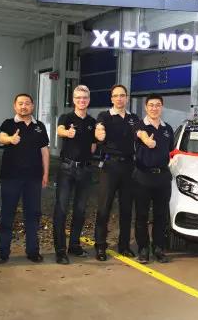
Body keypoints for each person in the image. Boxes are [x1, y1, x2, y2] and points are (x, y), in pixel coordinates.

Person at [0, 94, 49, 264]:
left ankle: (33, 251)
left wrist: (45, 173)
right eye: (20, 103)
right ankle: (3, 253)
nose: (23, 106)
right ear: (15, 106)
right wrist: (10, 139)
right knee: (7, 215)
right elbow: (1, 138)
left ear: (32, 106)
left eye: (27, 103)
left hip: (33, 178)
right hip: (10, 177)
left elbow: (44, 151)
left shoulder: (39, 126)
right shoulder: (8, 123)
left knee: (33, 215)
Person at [93, 84, 140, 261]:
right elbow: (99, 129)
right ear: (111, 98)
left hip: (129, 167)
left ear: (127, 98)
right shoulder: (104, 116)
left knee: (126, 209)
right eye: (116, 95)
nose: (119, 98)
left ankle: (124, 246)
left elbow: (140, 133)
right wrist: (99, 134)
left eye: (122, 95)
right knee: (104, 208)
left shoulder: (133, 118)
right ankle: (100, 246)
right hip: (110, 167)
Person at [53, 85, 97, 265]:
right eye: (78, 98)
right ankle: (60, 250)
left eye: (84, 98)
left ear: (89, 100)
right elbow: (59, 130)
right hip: (67, 169)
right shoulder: (66, 117)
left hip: (85, 170)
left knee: (80, 210)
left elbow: (93, 146)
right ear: (73, 100)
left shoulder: (92, 122)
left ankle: (74, 245)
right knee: (61, 209)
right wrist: (67, 133)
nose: (81, 100)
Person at [133, 94, 175, 264]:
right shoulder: (139, 125)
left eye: (157, 105)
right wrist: (146, 140)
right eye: (151, 105)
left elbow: (171, 151)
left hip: (163, 177)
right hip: (143, 177)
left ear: (162, 107)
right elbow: (140, 133)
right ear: (146, 107)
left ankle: (158, 248)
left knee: (161, 215)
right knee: (141, 215)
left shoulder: (168, 129)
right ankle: (143, 249)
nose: (154, 108)